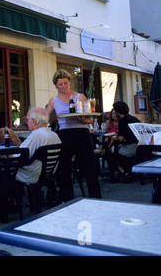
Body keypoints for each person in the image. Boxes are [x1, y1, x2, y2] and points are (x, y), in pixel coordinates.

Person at [46, 69, 101, 202]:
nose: (63, 87)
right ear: (55, 85)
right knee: (64, 167)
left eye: (65, 83)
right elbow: (45, 118)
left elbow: (90, 120)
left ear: (70, 82)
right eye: (60, 84)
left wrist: (81, 118)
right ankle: (67, 199)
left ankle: (96, 198)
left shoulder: (80, 97)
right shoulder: (53, 100)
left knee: (89, 165)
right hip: (64, 133)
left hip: (81, 132)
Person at [10, 107, 62, 184]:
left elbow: (19, 157)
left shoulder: (35, 135)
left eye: (27, 120)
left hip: (31, 175)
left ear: (34, 121)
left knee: (4, 169)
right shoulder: (55, 135)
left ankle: (10, 196)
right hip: (48, 174)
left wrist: (7, 156)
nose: (26, 122)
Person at [110, 101, 141, 181]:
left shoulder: (123, 120)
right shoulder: (134, 118)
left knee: (111, 150)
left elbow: (120, 138)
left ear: (117, 111)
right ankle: (127, 170)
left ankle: (124, 171)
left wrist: (113, 138)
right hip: (141, 147)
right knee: (117, 149)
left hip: (132, 148)